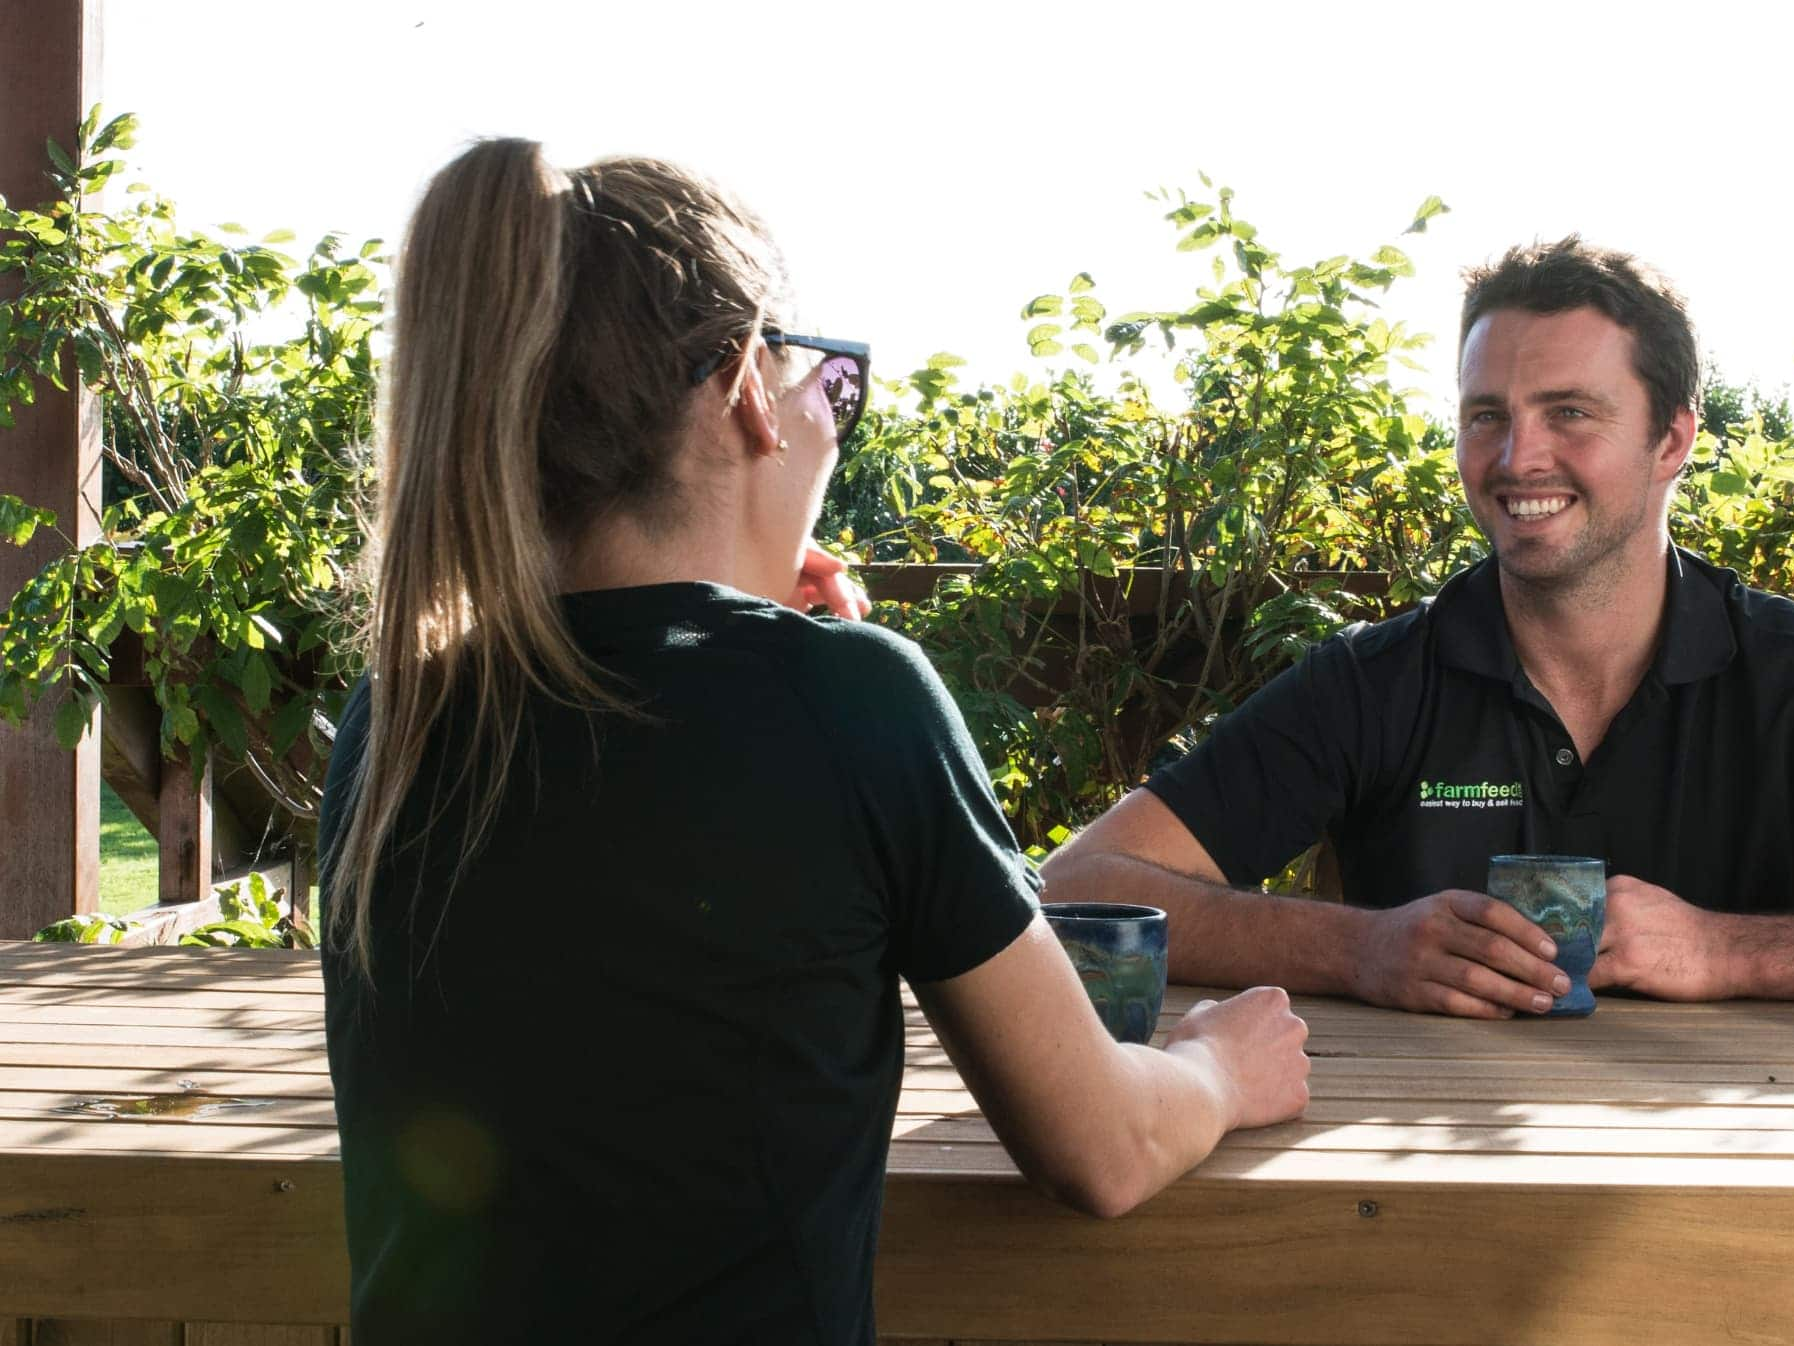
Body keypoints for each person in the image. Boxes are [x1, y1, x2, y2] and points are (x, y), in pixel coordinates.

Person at [317, 139, 1309, 1346]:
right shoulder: (848, 705)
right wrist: (1215, 1065)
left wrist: (758, 625)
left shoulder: (399, 719)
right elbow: (1102, 1145)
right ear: (745, 385)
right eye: (825, 383)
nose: (829, 412)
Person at [1041, 237, 1794, 1018]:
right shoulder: (1378, 681)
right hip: (1409, 1186)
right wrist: (1363, 946)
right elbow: (1075, 885)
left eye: (1568, 412)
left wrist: (1728, 952)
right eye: (1486, 415)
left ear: (1672, 438)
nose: (1516, 456)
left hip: (1737, 1177)